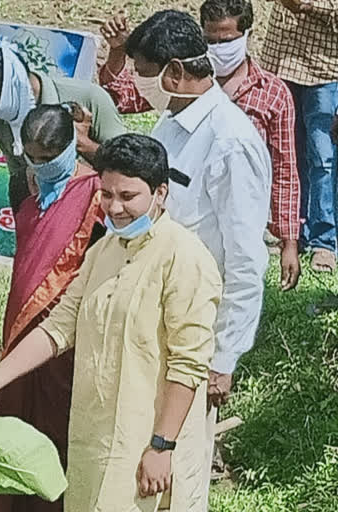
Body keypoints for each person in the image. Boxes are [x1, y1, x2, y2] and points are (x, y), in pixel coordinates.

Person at [0, 133, 223, 512]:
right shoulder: (104, 252)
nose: (115, 207)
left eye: (128, 197)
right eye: (107, 195)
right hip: (95, 438)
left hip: (149, 445)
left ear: (160, 193)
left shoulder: (185, 258)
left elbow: (188, 365)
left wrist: (162, 445)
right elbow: (57, 328)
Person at [119, 10, 272, 505]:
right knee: (140, 457)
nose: (139, 83)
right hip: (151, 314)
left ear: (175, 72)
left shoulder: (231, 141)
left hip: (194, 332)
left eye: (143, 70)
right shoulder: (171, 122)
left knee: (178, 470)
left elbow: (247, 260)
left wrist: (224, 358)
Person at [100, 1, 301, 290]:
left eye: (227, 40)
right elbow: (121, 98)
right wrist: (118, 51)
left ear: (247, 34)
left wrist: (289, 240)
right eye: (211, 40)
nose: (219, 47)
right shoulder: (175, 86)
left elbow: (285, 170)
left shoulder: (272, 94)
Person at [0, 103, 105, 512]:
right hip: (20, 335)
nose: (41, 165)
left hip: (66, 340)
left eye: (49, 158)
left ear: (71, 148)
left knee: (54, 432)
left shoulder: (96, 197)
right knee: (12, 425)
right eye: (33, 157)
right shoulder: (29, 193)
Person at [0, 42, 126, 213]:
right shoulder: (2, 121)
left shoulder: (89, 98)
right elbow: (19, 180)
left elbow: (129, 169)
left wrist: (81, 142)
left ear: (15, 87)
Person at [260, 0, 338, 272]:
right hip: (280, 63)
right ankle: (291, 234)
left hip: (324, 69)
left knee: (322, 158)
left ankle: (324, 242)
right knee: (286, 155)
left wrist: (306, 6)